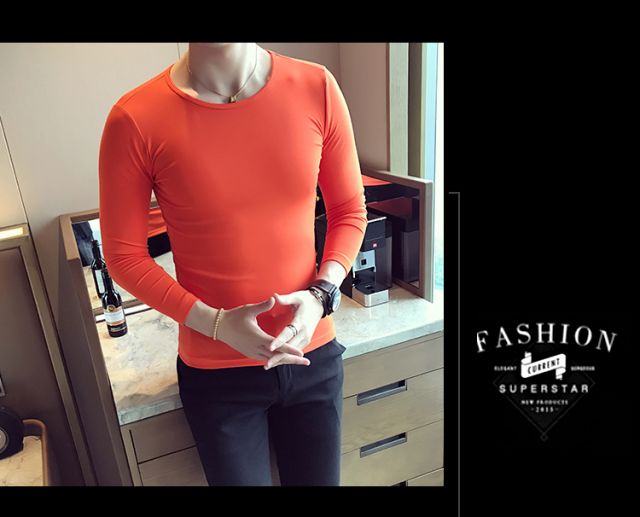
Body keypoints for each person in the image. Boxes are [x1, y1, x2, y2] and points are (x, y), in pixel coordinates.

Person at [98, 42, 368, 486]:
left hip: (311, 353)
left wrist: (321, 294)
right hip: (217, 375)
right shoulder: (135, 118)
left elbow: (349, 211)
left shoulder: (316, 86)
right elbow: (124, 257)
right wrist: (217, 324)